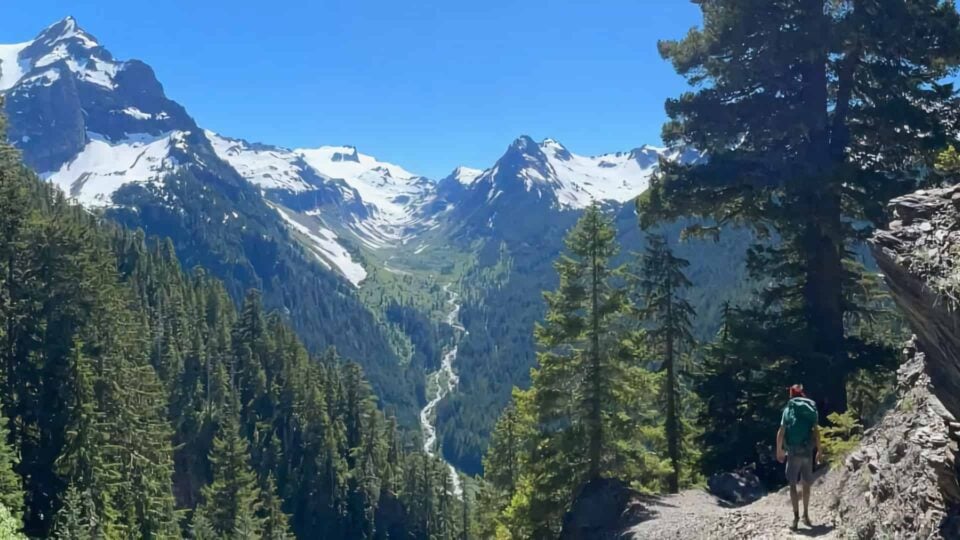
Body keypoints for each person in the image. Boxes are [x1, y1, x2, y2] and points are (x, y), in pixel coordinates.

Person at [776, 384, 821, 530]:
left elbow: (781, 432)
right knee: (806, 484)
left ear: (790, 395)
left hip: (793, 453)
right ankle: (806, 515)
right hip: (807, 452)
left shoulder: (788, 410)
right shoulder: (810, 410)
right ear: (802, 394)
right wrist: (819, 450)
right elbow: (816, 431)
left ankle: (795, 518)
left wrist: (779, 450)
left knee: (793, 485)